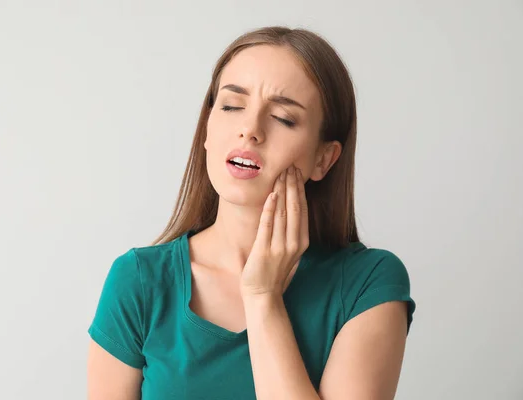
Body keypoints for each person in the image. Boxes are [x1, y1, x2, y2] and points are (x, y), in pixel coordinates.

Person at [86, 26, 416, 400]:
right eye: (231, 106)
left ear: (324, 159)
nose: (250, 130)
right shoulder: (139, 281)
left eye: (283, 118)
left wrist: (263, 297)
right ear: (207, 129)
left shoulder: (367, 284)